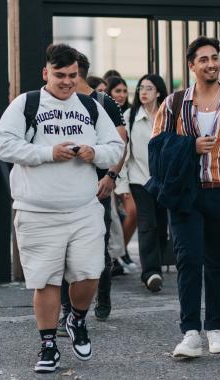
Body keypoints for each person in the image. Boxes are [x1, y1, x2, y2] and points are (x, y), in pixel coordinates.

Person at [0, 44, 124, 373]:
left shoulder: (91, 107)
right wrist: (47, 153)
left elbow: (116, 147)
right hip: (36, 211)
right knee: (47, 281)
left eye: (72, 76)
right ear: (45, 73)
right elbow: (3, 144)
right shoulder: (27, 104)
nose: (67, 82)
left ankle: (77, 320)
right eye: (59, 75)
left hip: (83, 209)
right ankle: (48, 345)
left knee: (90, 274)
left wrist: (93, 152)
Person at [152, 36, 220, 357]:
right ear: (191, 65)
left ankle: (216, 328)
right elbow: (157, 147)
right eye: (203, 59)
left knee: (216, 263)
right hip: (185, 194)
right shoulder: (173, 103)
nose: (211, 63)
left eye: (215, 57)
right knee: (188, 261)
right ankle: (190, 333)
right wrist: (190, 146)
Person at [58, 51, 127, 333]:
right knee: (63, 250)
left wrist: (111, 176)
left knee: (98, 247)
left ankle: (104, 294)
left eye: (70, 75)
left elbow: (122, 141)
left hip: (98, 187)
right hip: (64, 189)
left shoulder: (103, 102)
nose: (65, 81)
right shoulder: (59, 103)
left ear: (79, 74)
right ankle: (66, 310)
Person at [117, 74, 168, 292]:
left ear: (158, 92)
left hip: (165, 181)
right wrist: (122, 186)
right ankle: (150, 273)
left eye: (149, 88)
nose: (143, 92)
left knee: (162, 226)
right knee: (147, 223)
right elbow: (122, 154)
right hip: (140, 180)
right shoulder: (130, 117)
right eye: (140, 88)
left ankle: (156, 265)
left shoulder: (169, 116)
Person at [106, 75, 138, 271]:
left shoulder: (130, 114)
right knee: (118, 215)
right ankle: (116, 255)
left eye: (125, 91)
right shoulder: (108, 113)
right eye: (118, 91)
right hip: (115, 173)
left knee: (131, 214)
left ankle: (121, 252)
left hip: (129, 173)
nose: (122, 95)